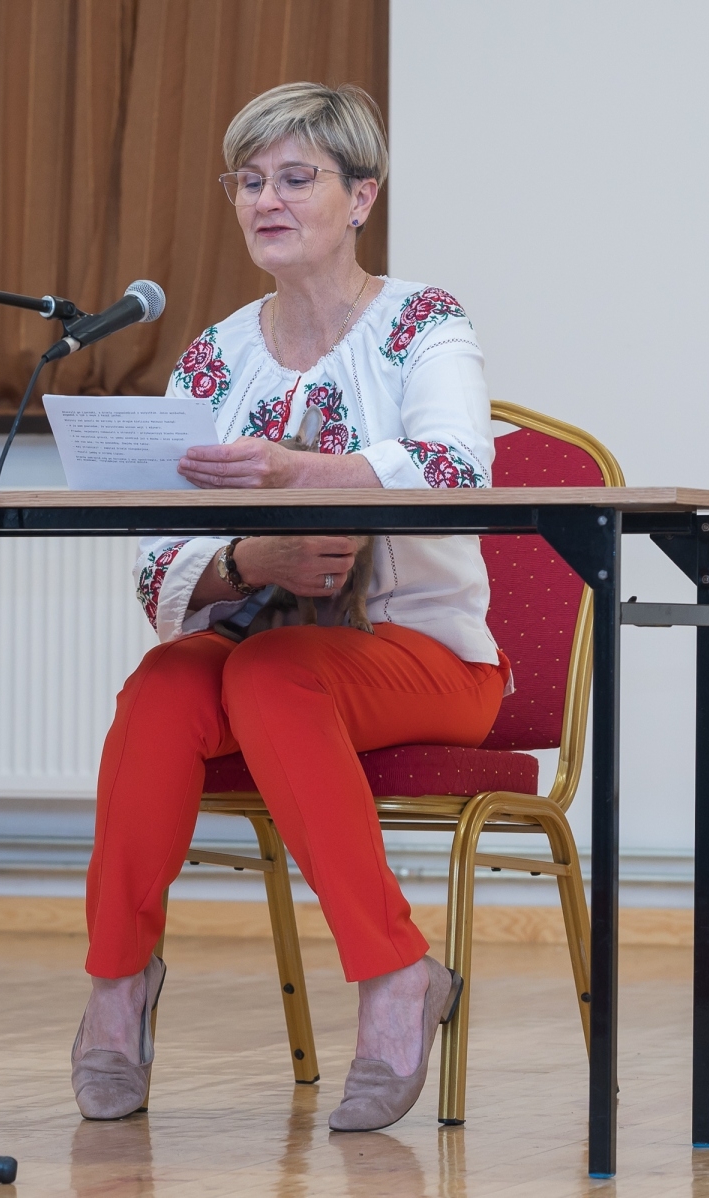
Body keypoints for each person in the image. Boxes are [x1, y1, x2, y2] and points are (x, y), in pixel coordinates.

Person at [72, 81, 508, 1133]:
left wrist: (296, 471)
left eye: (296, 178)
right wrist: (247, 560)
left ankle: (397, 973)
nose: (266, 199)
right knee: (164, 686)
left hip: (427, 659)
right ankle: (119, 983)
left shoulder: (424, 322)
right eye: (249, 180)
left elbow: (458, 467)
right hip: (262, 654)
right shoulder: (215, 354)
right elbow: (158, 564)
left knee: (272, 675)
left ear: (361, 197)